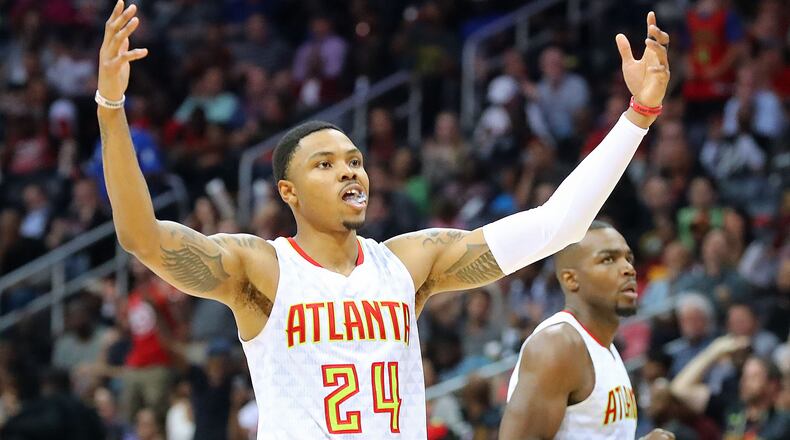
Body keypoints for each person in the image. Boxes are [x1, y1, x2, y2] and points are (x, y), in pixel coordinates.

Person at [97, 2, 670, 437]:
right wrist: (112, 107)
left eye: (356, 161)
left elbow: (556, 227)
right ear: (289, 192)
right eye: (326, 165)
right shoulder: (262, 268)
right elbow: (141, 236)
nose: (351, 173)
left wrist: (639, 115)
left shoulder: (408, 262)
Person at [500, 221, 675, 440]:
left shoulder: (606, 349)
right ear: (571, 279)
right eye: (608, 259)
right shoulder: (558, 344)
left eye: (628, 258)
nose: (628, 269)